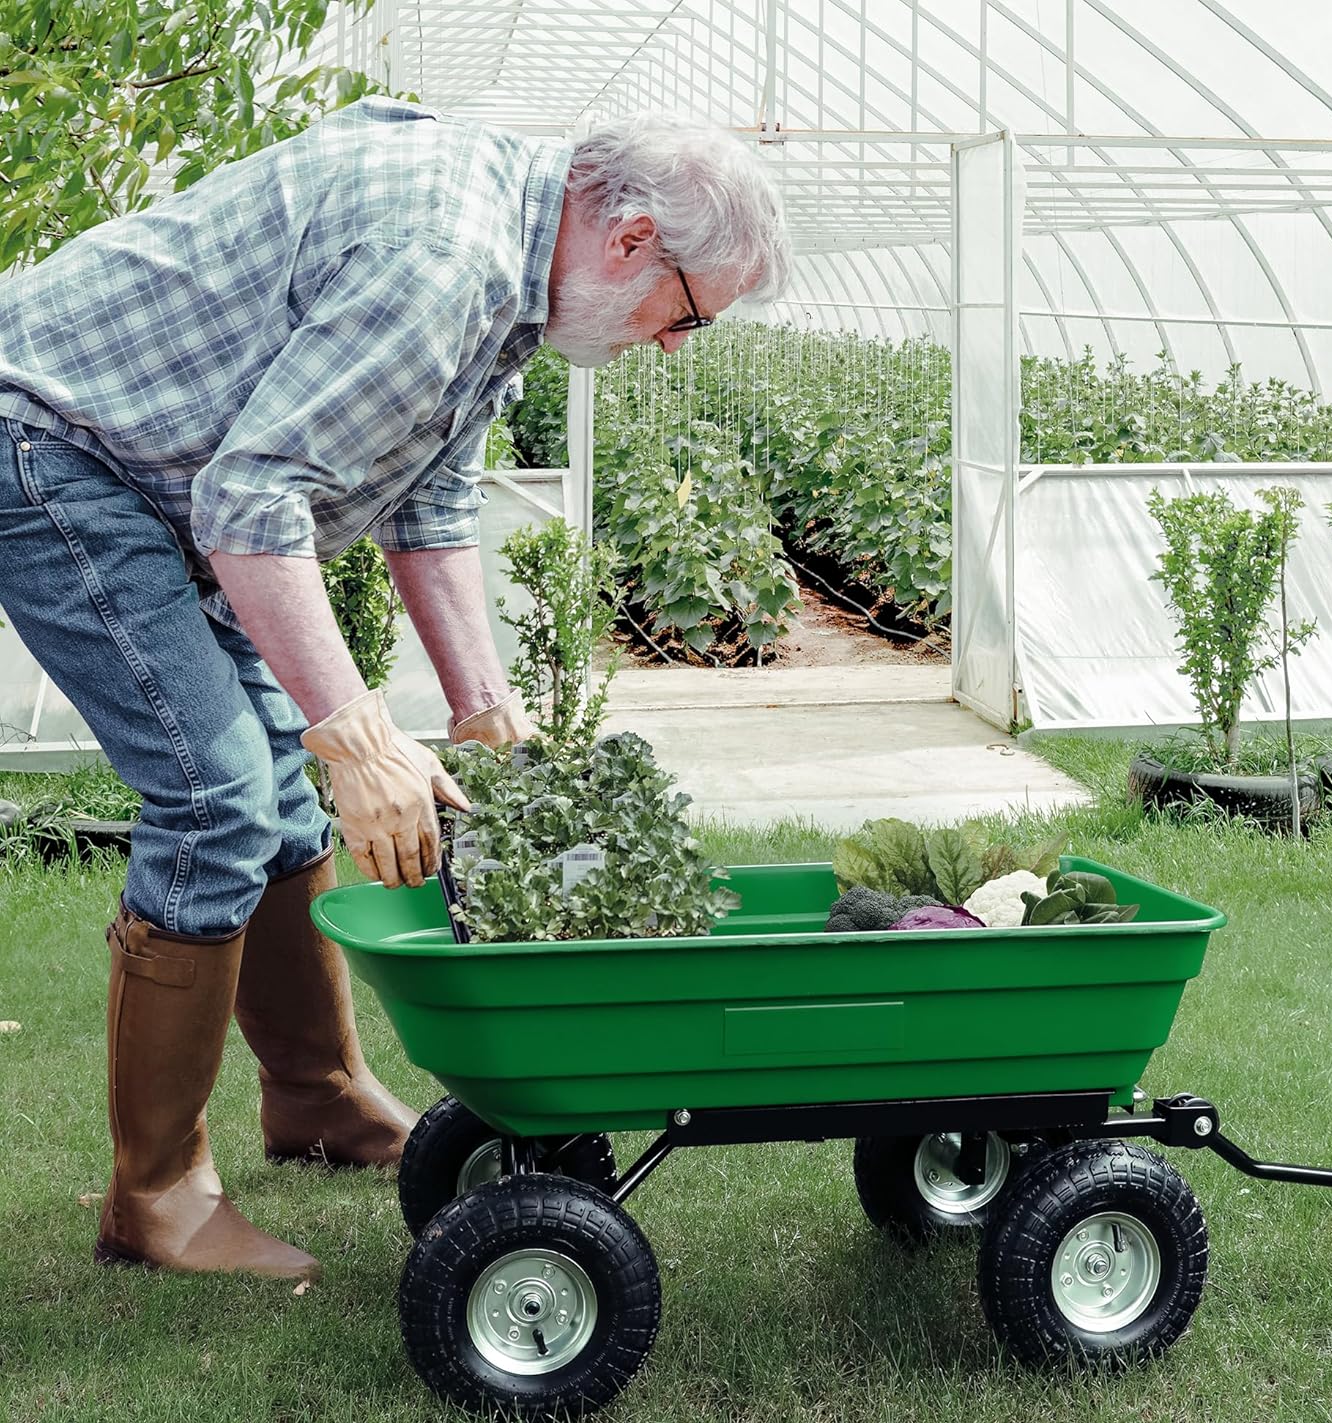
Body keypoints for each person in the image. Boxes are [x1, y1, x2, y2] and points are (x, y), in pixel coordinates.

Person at [0, 99, 791, 1281]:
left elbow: (428, 499)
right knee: (218, 797)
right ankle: (154, 1197)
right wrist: (362, 739)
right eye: (688, 315)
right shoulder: (445, 260)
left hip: (159, 473)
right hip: (53, 445)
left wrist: (485, 710)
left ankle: (316, 1098)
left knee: (283, 799)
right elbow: (251, 502)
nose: (675, 345)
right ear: (631, 239)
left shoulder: (516, 270)